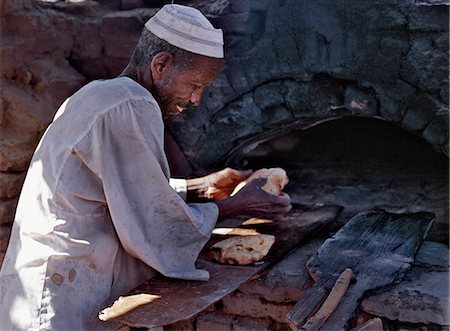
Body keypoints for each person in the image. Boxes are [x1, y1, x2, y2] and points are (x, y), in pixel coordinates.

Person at [0, 4, 291, 330]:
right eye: (195, 85)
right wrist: (240, 205)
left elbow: (123, 188)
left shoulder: (99, 95)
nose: (196, 99)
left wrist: (202, 187)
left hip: (58, 287)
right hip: (59, 299)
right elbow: (155, 220)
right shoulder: (131, 104)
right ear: (161, 64)